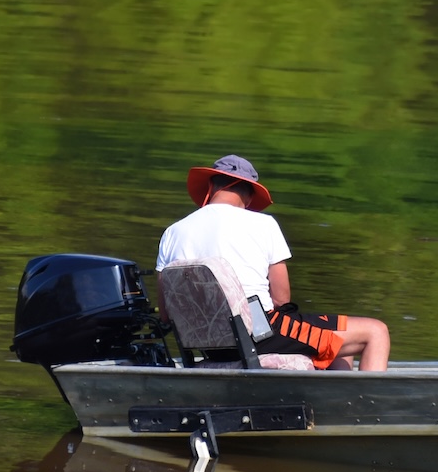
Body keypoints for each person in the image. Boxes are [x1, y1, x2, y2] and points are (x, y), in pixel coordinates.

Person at [155, 154, 391, 371]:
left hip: (205, 342)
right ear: (248, 194)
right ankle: (369, 411)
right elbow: (281, 299)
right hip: (259, 331)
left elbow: (167, 314)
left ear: (211, 187)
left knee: (335, 347)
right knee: (375, 331)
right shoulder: (264, 224)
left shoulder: (172, 232)